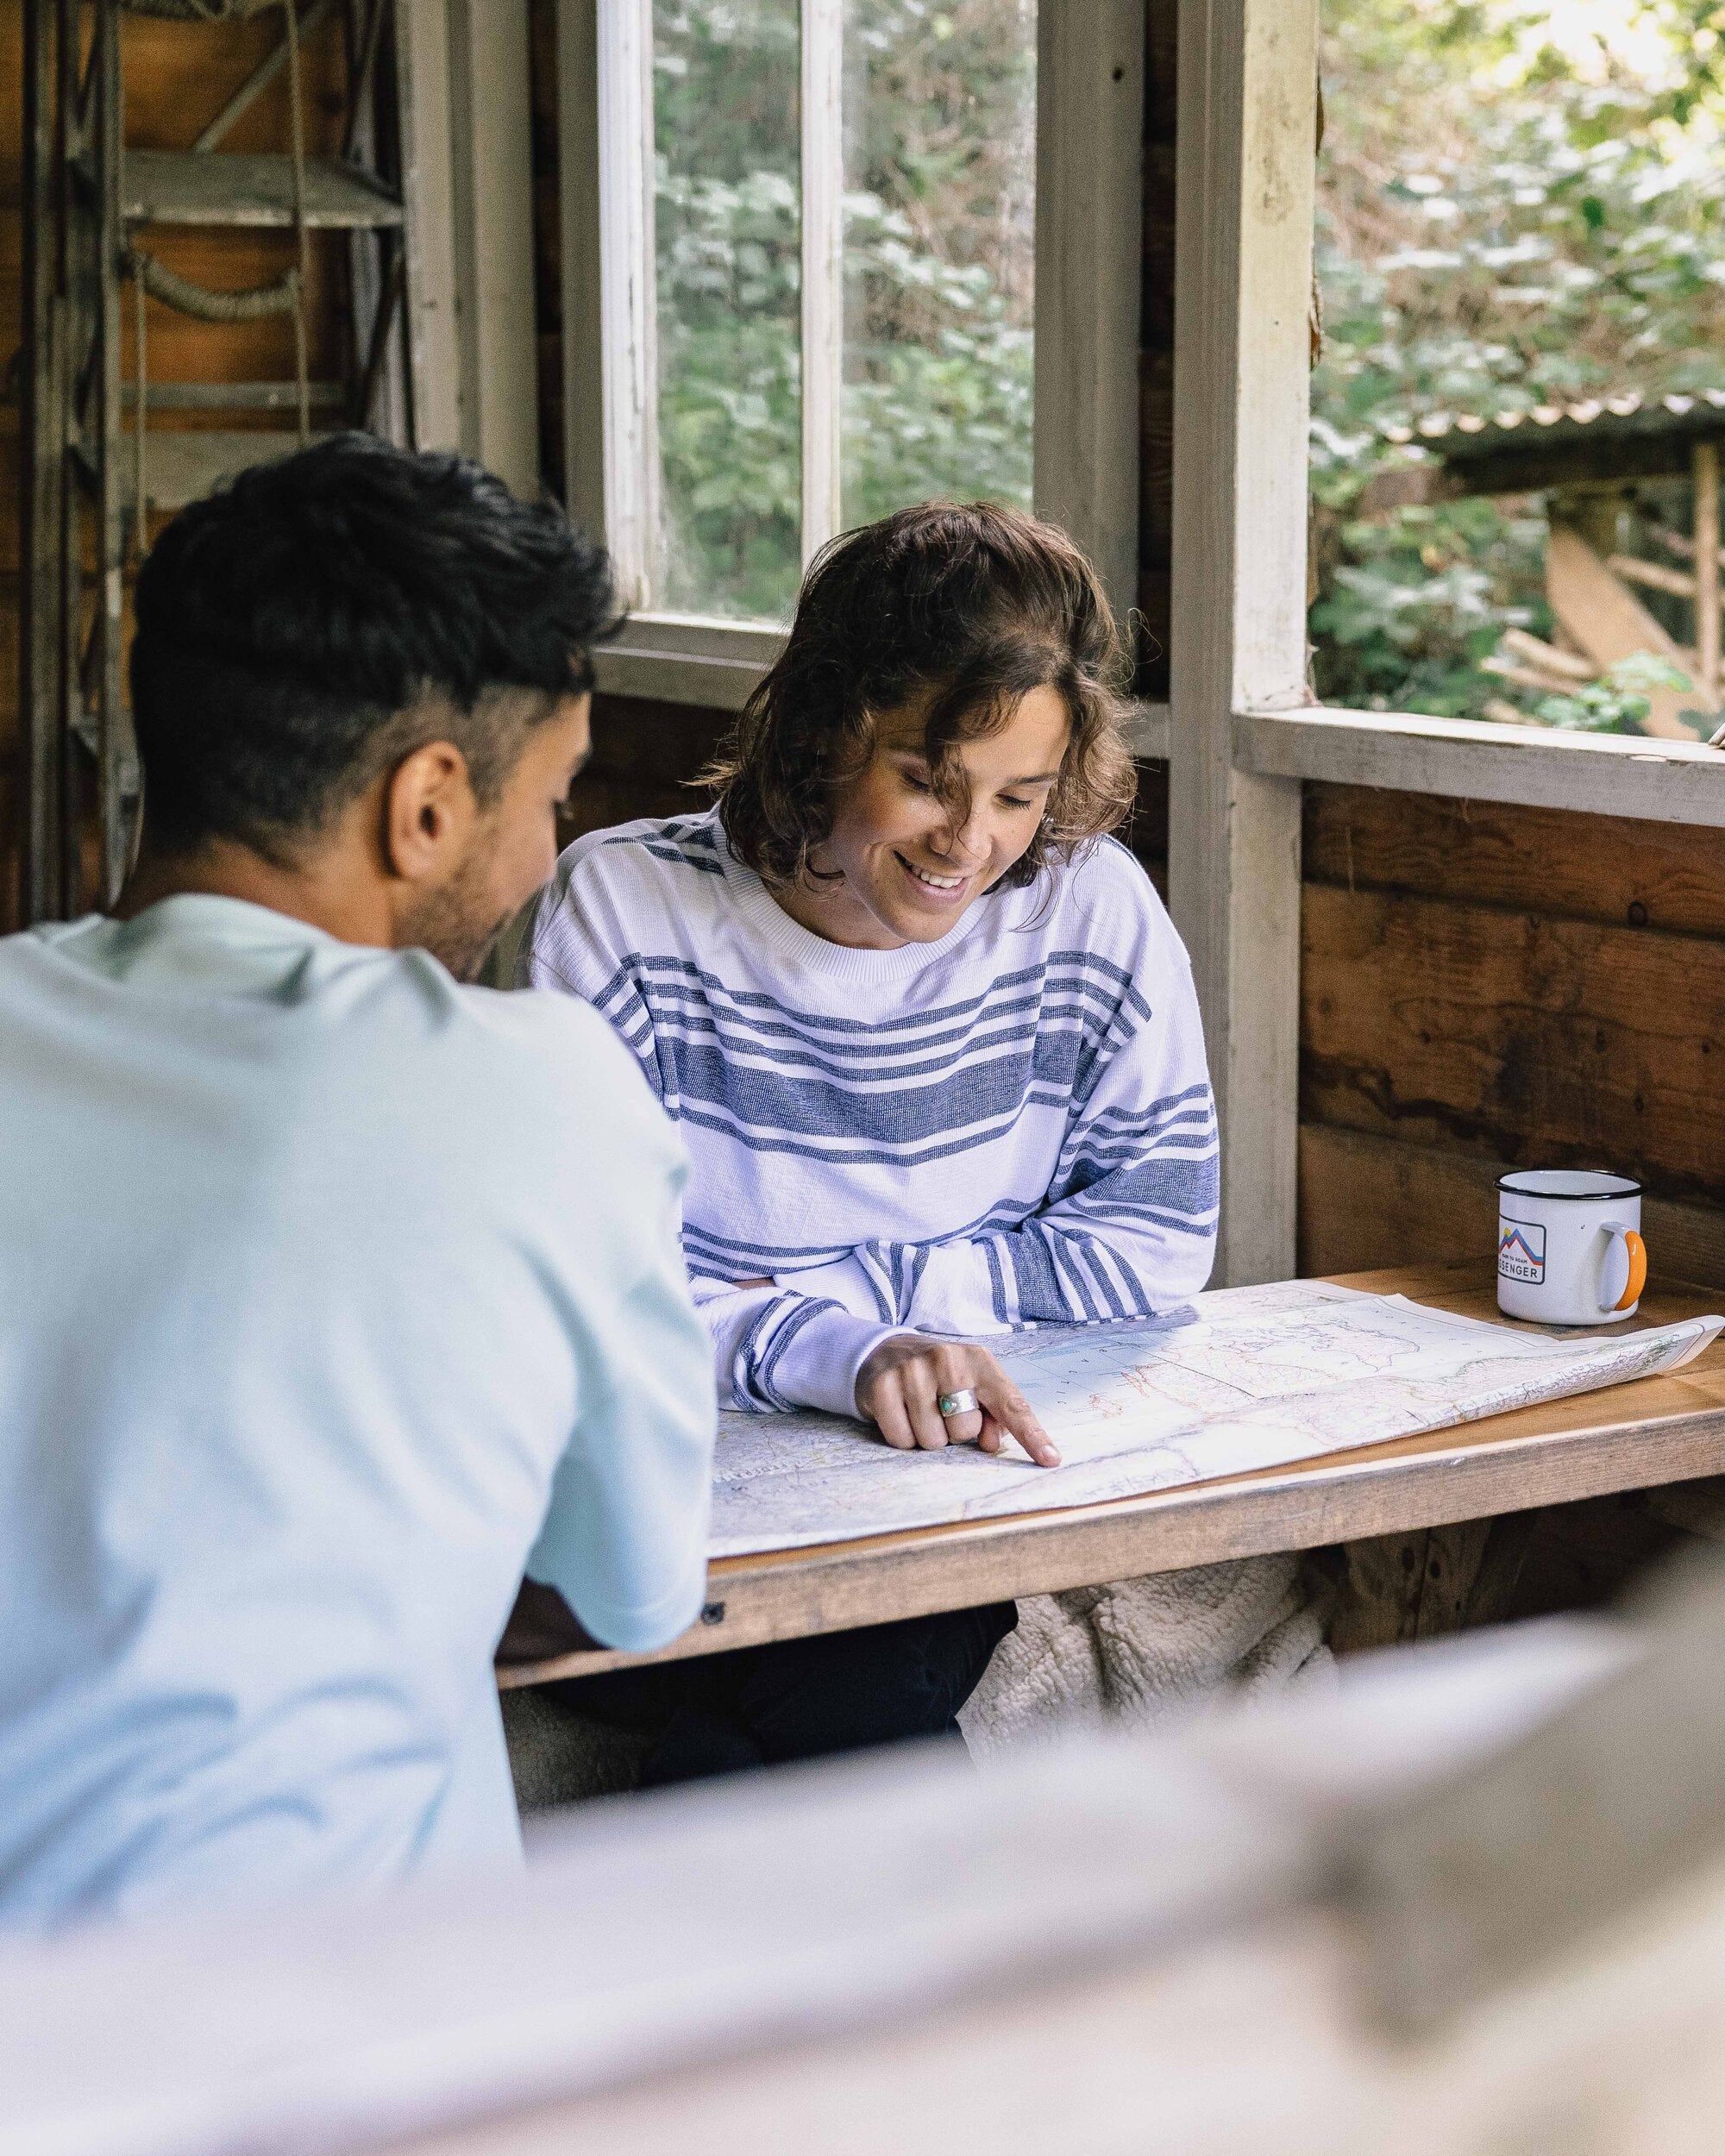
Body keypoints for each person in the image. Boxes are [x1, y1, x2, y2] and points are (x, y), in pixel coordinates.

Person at [0, 436, 717, 1928]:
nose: (550, 854)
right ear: (428, 803)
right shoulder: (547, 1100)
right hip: (350, 2017)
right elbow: (635, 1587)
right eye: (553, 798)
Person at [523, 500, 1219, 1783]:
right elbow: (591, 1299)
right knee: (866, 1677)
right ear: (820, 733)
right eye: (928, 781)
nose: (972, 843)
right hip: (678, 1477)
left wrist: (867, 1315)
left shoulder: (1092, 909)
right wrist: (840, 1353)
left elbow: (1156, 1238)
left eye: (1020, 795)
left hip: (941, 1476)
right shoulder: (621, 911)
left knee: (876, 1648)